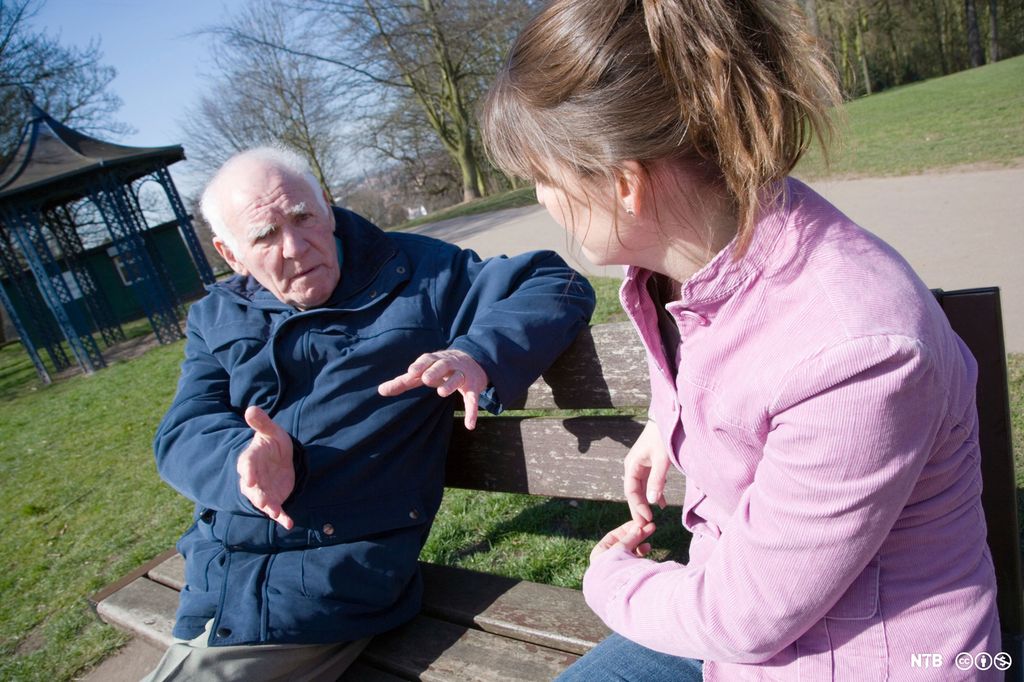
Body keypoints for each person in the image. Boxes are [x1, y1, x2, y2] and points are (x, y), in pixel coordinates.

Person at [481, 1, 1001, 680]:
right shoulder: (703, 258)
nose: (543, 201)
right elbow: (728, 348)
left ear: (624, 183)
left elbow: (742, 618)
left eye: (544, 177)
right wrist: (667, 421)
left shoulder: (857, 351)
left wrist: (608, 578)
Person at [143, 146, 595, 681]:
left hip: (330, 582)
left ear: (327, 208)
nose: (295, 246)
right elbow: (183, 429)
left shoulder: (418, 276)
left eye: (304, 217)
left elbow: (554, 283)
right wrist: (242, 462)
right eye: (264, 236)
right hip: (218, 577)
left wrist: (475, 353)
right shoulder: (216, 315)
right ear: (231, 254)